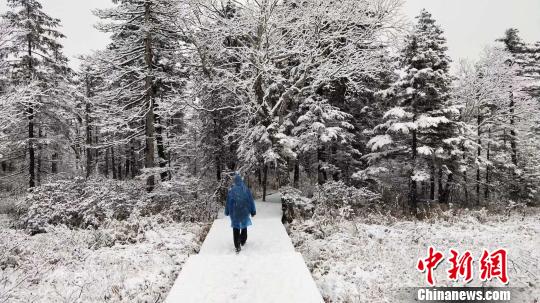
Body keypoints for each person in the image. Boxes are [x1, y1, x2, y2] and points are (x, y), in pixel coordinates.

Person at [225, 173, 256, 253]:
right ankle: (242, 240)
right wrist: (253, 211)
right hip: (244, 211)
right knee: (244, 226)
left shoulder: (231, 191)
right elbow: (251, 201)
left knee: (236, 228)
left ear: (235, 181)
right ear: (241, 181)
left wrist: (227, 211)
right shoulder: (246, 189)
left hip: (235, 212)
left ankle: (237, 246)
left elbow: (228, 202)